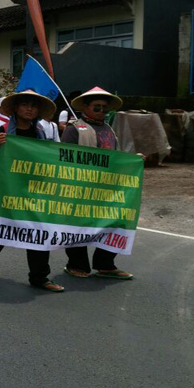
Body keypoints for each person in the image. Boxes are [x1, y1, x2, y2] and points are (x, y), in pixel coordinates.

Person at [0, 89, 64, 291]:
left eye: (34, 105)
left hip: (34, 190)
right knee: (4, 228)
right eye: (25, 104)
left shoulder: (41, 134)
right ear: (15, 108)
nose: (30, 109)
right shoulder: (2, 131)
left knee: (39, 230)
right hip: (7, 190)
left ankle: (39, 277)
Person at [61, 86, 133, 280]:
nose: (102, 111)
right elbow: (64, 158)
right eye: (97, 107)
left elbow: (115, 157)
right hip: (80, 188)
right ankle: (76, 264)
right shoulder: (73, 129)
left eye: (104, 108)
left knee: (116, 221)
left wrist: (132, 161)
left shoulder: (109, 129)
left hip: (108, 187)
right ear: (85, 107)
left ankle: (105, 264)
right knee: (78, 226)